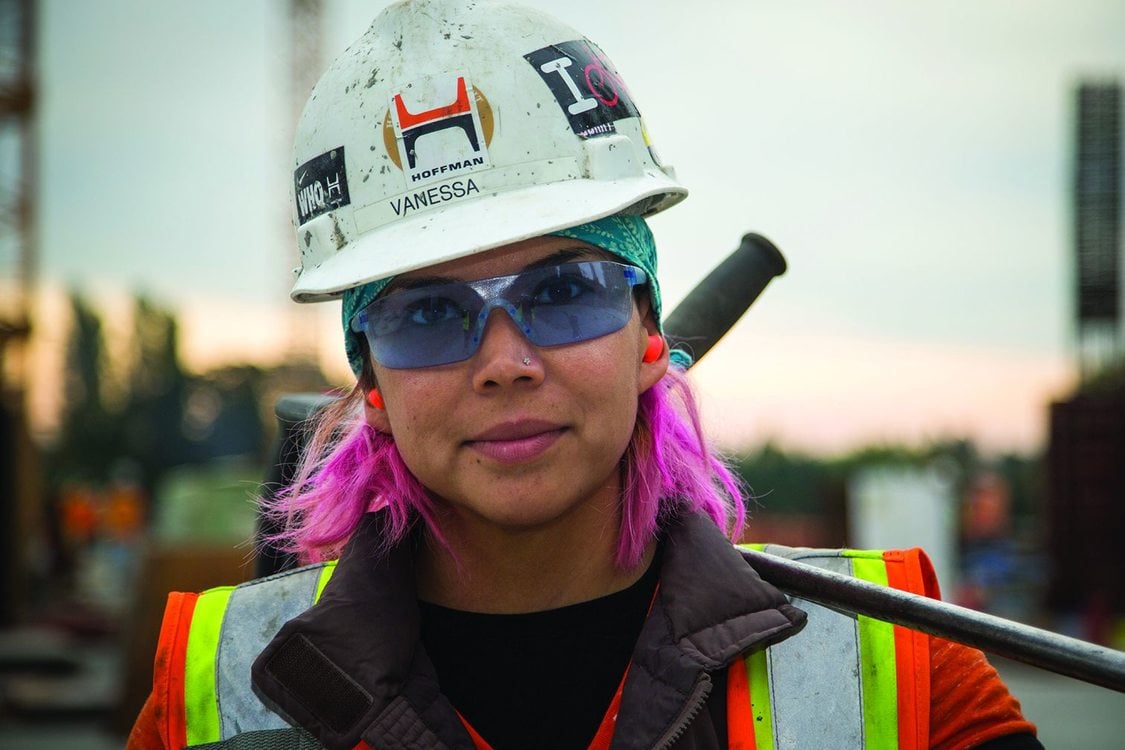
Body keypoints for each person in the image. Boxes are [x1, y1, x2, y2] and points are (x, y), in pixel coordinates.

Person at [128, 1, 1043, 748]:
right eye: (428, 315)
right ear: (370, 382)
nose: (506, 364)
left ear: (648, 334)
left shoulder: (897, 669)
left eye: (564, 292)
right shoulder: (217, 691)